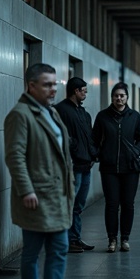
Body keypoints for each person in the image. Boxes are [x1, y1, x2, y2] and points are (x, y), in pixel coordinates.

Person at [4, 63, 81, 279]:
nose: (53, 89)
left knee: (59, 248)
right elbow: (14, 156)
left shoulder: (51, 113)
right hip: (36, 196)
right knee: (32, 252)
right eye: (47, 84)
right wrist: (26, 189)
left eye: (55, 84)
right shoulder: (20, 115)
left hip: (57, 194)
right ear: (31, 85)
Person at [92, 82, 140, 253]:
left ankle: (125, 239)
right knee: (111, 204)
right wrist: (100, 154)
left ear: (127, 97)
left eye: (122, 95)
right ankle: (111, 239)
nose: (119, 98)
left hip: (130, 168)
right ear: (112, 97)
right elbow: (94, 140)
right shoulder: (103, 116)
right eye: (116, 95)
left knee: (128, 204)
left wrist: (135, 153)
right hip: (109, 168)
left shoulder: (134, 116)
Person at [55, 77, 97, 252]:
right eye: (84, 91)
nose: (85, 94)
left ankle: (75, 238)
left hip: (86, 165)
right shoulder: (61, 110)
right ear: (76, 91)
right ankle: (65, 241)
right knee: (69, 204)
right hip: (72, 165)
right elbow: (59, 135)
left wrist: (93, 153)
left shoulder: (84, 113)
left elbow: (90, 136)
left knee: (78, 206)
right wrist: (74, 148)